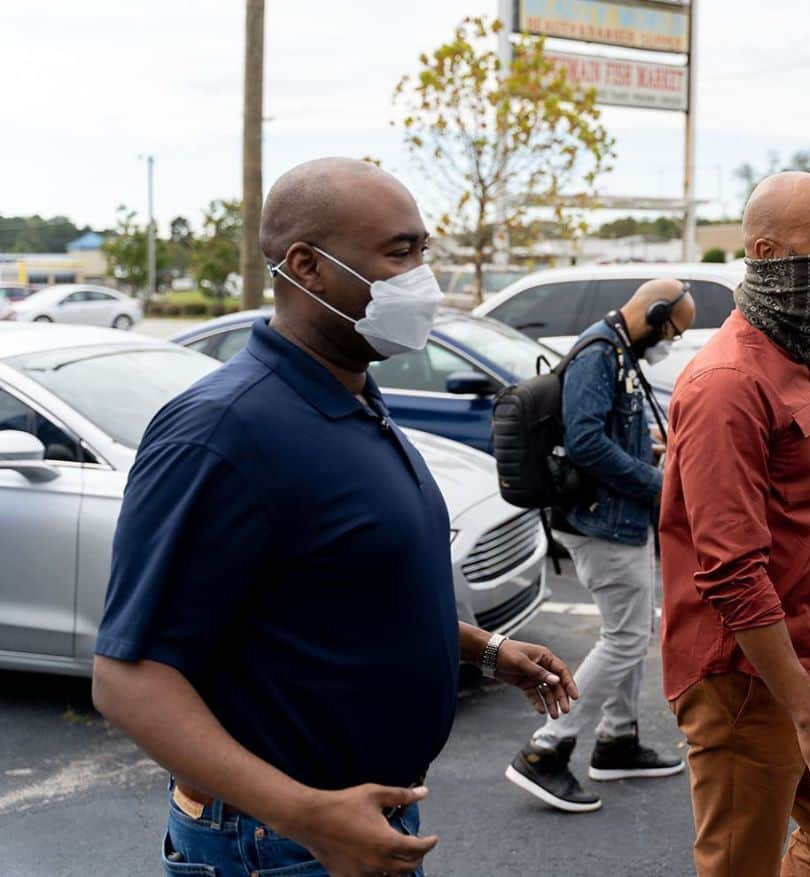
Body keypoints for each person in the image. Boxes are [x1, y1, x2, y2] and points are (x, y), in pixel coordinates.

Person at [91, 158, 580, 877]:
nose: (423, 278)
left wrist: (482, 651)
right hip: (279, 844)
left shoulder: (351, 395)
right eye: (399, 252)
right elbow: (129, 676)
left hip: (357, 820)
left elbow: (339, 596)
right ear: (307, 266)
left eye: (423, 251)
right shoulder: (221, 431)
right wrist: (304, 815)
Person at [660, 172, 810, 875]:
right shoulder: (728, 381)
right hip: (742, 677)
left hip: (803, 655)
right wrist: (808, 717)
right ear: (767, 250)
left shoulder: (790, 355)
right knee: (739, 866)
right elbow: (729, 569)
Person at [504, 278, 694, 813]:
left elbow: (606, 428)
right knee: (626, 638)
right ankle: (545, 750)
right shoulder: (599, 353)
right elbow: (585, 442)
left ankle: (617, 741)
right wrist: (658, 484)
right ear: (655, 315)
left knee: (631, 633)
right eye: (674, 332)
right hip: (600, 523)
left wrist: (650, 445)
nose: (671, 343)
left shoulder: (615, 349)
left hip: (616, 520)